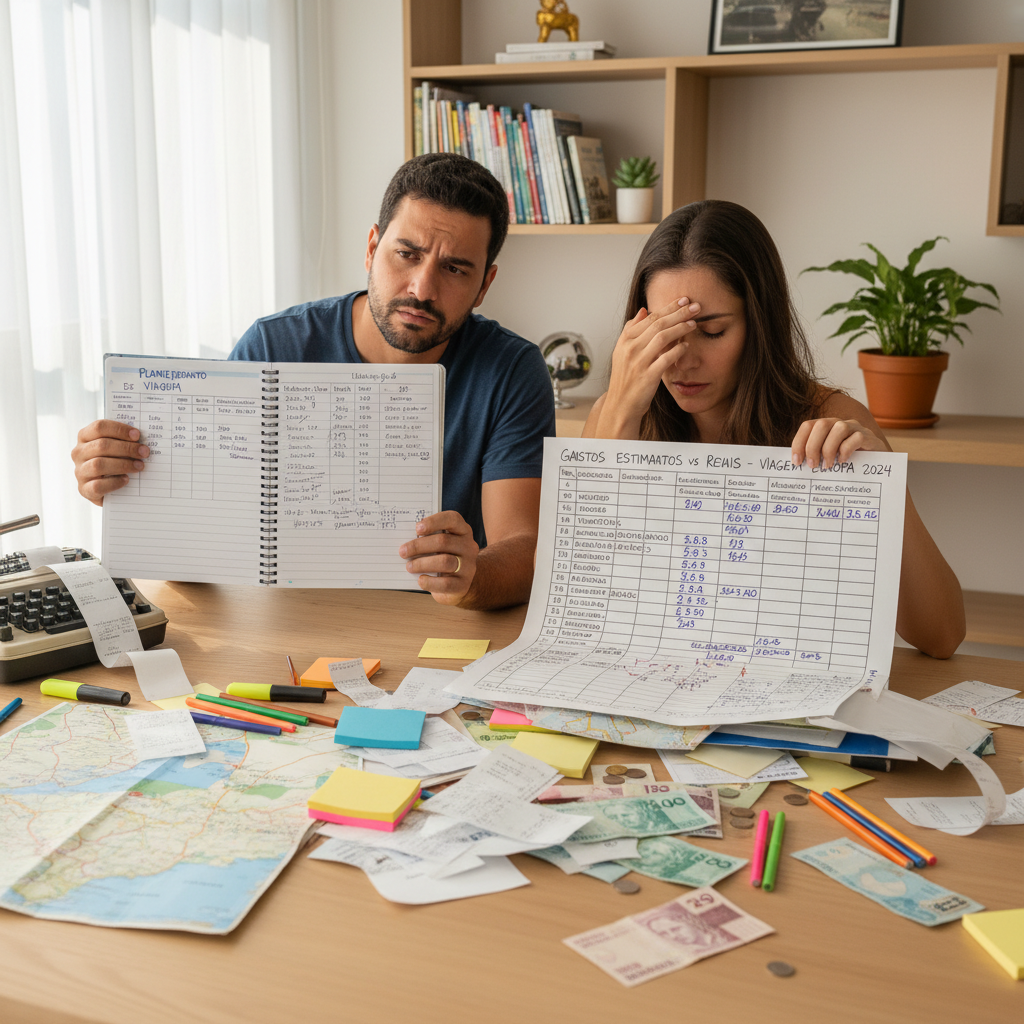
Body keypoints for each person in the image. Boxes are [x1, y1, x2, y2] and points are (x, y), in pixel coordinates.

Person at [72, 154, 555, 610]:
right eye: (406, 254)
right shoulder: (272, 348)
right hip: (286, 619)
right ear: (372, 247)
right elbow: (200, 557)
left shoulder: (511, 369)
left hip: (438, 624)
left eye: (454, 269)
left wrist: (471, 578)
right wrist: (127, 494)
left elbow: (524, 549)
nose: (421, 289)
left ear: (485, 285)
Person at [583, 200, 965, 659]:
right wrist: (620, 415)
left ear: (759, 324)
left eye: (711, 330)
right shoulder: (616, 416)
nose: (682, 360)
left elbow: (941, 637)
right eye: (665, 335)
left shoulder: (833, 418)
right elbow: (582, 600)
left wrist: (886, 486)